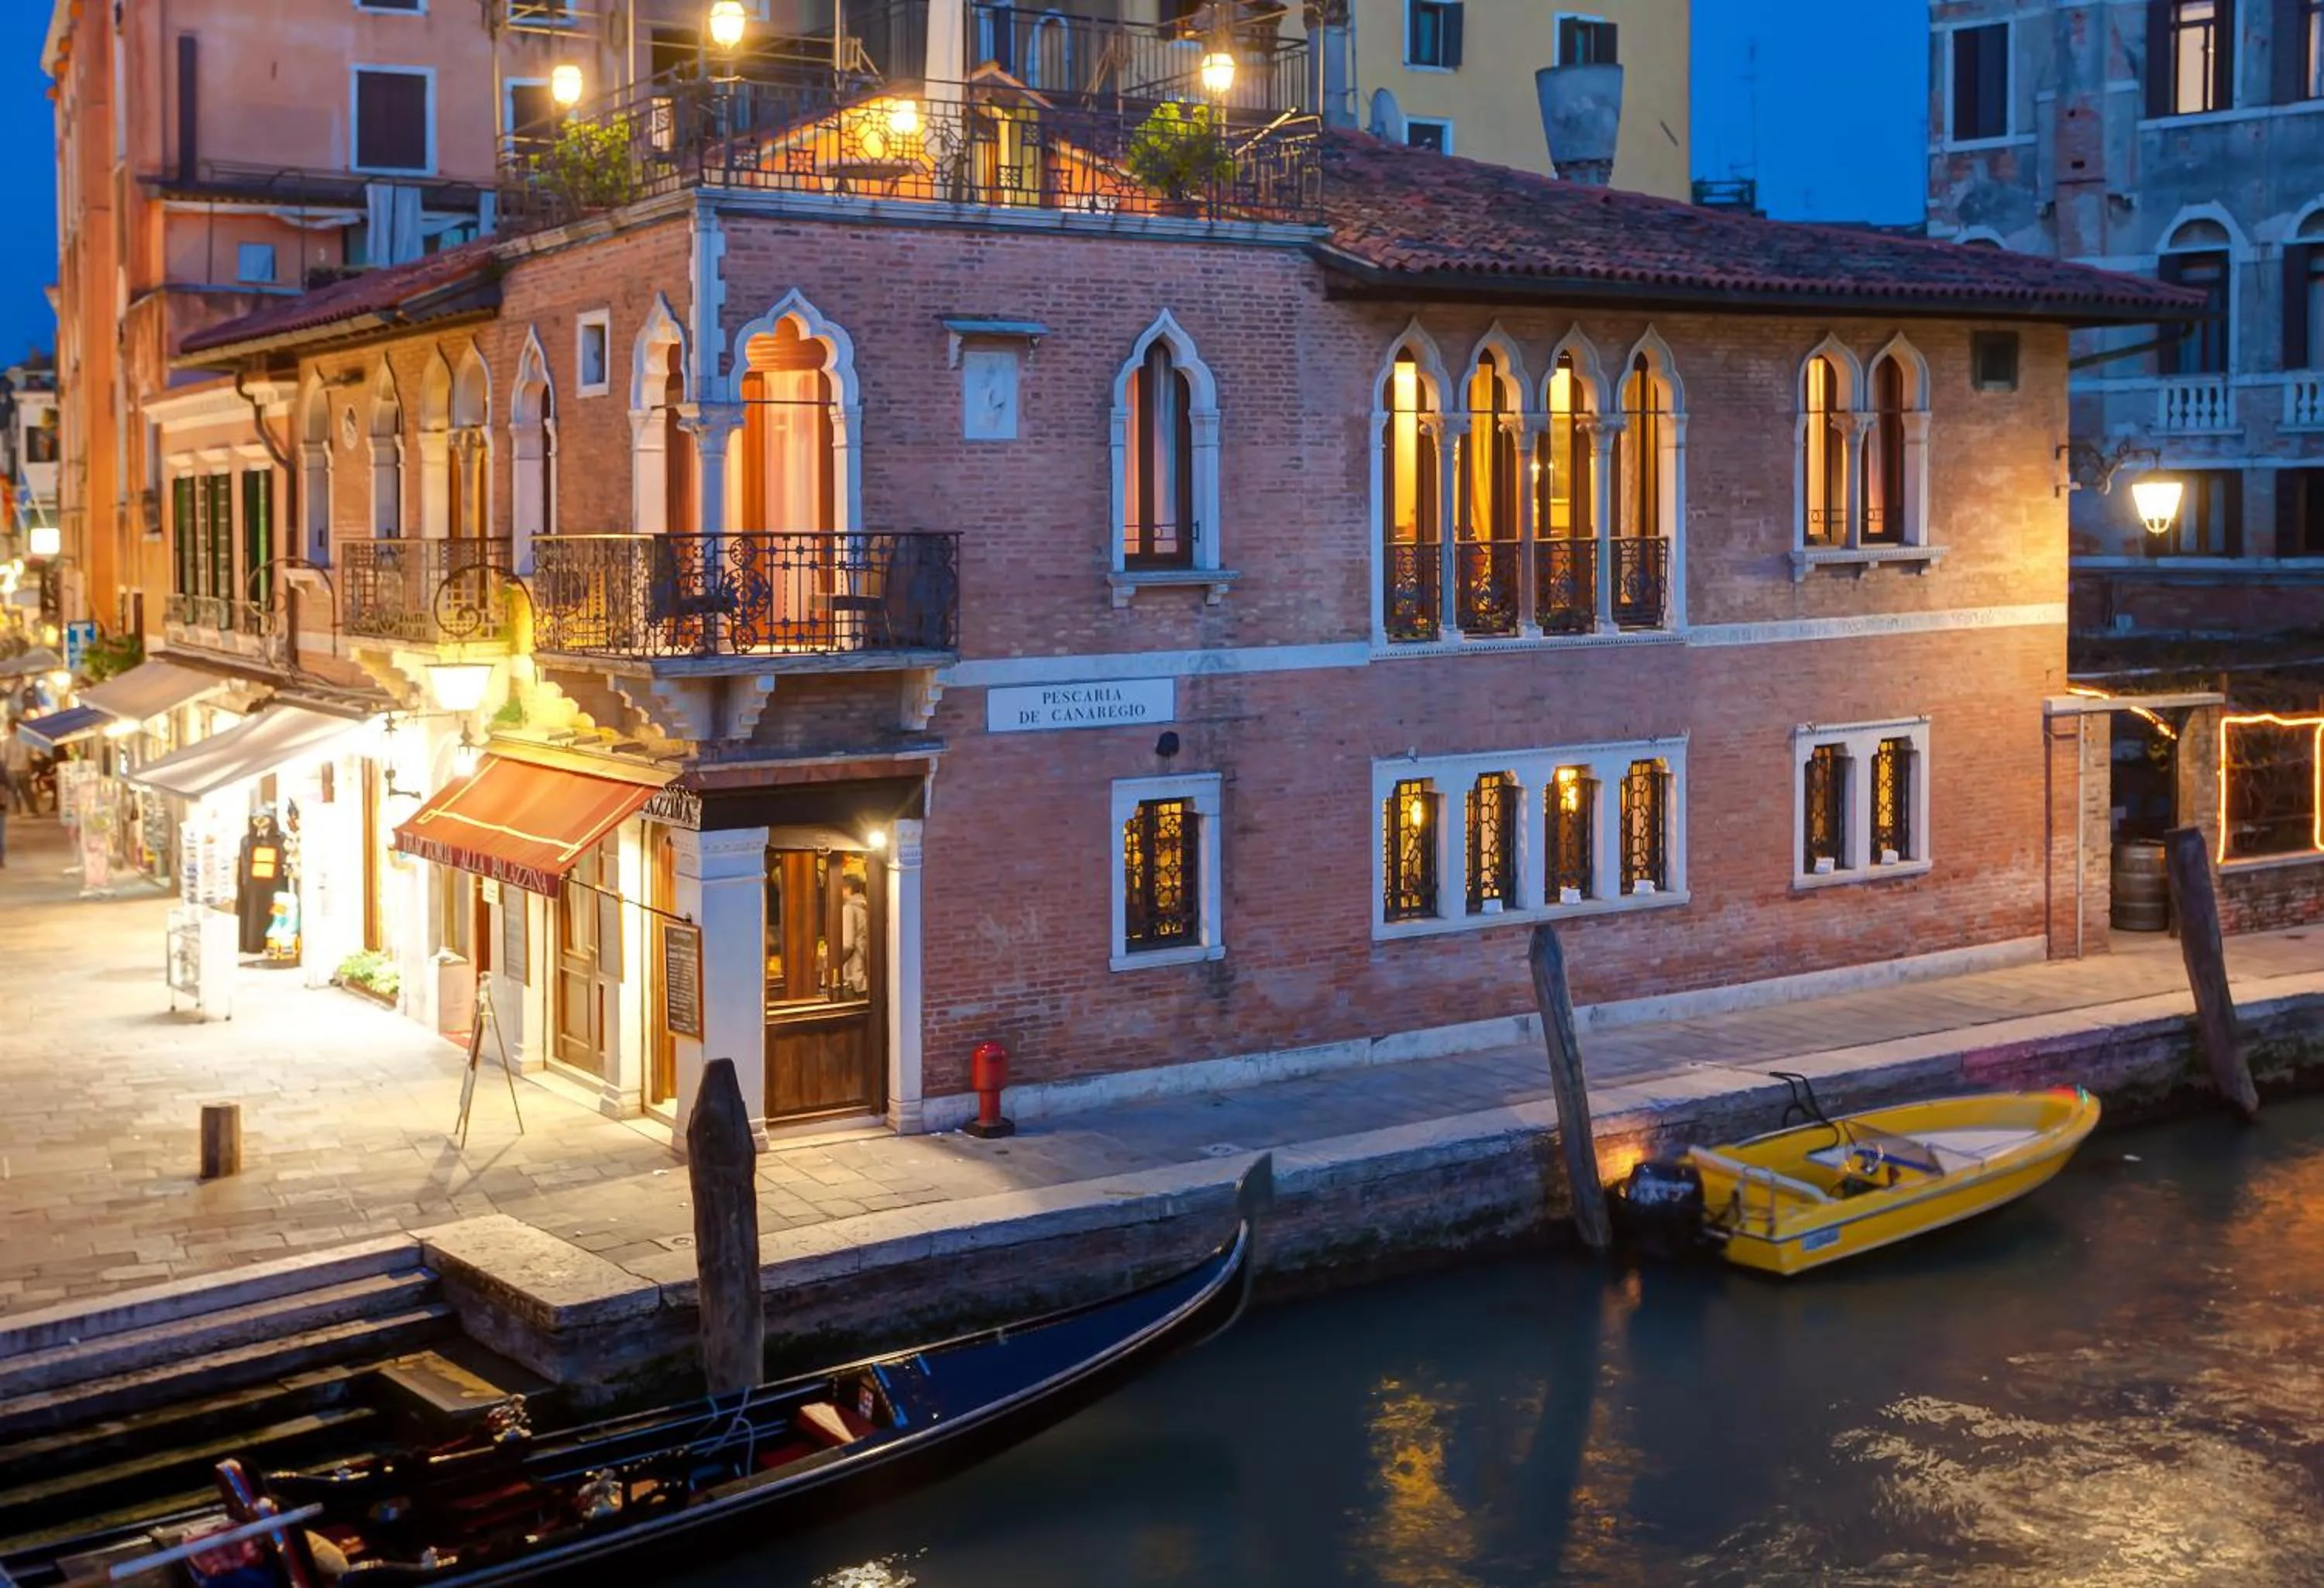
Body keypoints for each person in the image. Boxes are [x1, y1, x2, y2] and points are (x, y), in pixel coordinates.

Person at [838, 872, 869, 997]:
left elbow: (847, 945)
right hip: (865, 974)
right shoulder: (866, 906)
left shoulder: (849, 909)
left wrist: (834, 964)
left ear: (847, 889)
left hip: (853, 975)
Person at [1, 728, 31, 816]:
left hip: (11, 769)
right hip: (24, 768)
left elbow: (4, 758)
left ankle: (17, 811)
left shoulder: (6, 742)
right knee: (27, 791)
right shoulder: (27, 741)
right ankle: (32, 811)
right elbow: (30, 755)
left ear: (9, 728)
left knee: (13, 792)